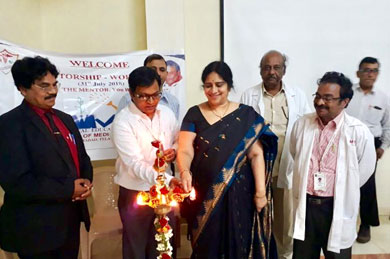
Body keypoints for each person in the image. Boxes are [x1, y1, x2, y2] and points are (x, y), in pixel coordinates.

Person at [177, 61, 278, 258]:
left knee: (239, 240)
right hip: (205, 192)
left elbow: (256, 155)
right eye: (208, 85)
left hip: (240, 192)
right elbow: (185, 149)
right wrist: (184, 171)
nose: (213, 90)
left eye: (219, 85)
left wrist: (260, 193)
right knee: (208, 245)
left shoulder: (245, 114)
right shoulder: (194, 114)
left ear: (229, 86)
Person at [0, 56, 93, 259]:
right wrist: (69, 189)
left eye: (54, 84)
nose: (52, 91)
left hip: (69, 220)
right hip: (36, 229)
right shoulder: (9, 125)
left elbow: (82, 158)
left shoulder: (65, 119)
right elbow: (17, 182)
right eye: (44, 86)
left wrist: (86, 181)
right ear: (23, 89)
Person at [290, 72, 376, 258]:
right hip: (307, 206)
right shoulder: (302, 124)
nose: (320, 102)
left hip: (336, 206)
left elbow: (365, 169)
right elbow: (295, 153)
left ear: (344, 102)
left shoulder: (358, 131)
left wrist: (345, 186)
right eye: (318, 96)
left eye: (328, 98)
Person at [241, 50, 311, 259]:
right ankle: (256, 252)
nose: (271, 72)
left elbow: (306, 127)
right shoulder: (248, 95)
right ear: (261, 70)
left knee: (284, 217)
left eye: (276, 67)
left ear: (284, 70)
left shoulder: (297, 95)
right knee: (255, 212)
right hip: (257, 164)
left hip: (285, 164)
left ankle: (283, 254)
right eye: (267, 67)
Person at [112, 66, 180, 259]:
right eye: (143, 96)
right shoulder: (123, 122)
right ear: (131, 94)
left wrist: (173, 151)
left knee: (165, 243)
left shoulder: (166, 113)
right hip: (136, 193)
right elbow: (135, 164)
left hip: (165, 194)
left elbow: (177, 138)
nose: (151, 101)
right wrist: (166, 180)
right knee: (137, 247)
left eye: (156, 95)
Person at [345, 57, 390, 243]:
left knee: (367, 186)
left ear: (378, 74)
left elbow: (387, 125)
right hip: (346, 141)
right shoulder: (348, 93)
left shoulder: (383, 98)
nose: (370, 74)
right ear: (358, 73)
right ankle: (340, 223)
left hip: (371, 144)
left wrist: (382, 147)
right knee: (342, 181)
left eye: (374, 70)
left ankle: (366, 225)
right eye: (366, 70)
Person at [117, 54, 180, 119]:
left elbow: (174, 128)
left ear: (166, 74)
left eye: (162, 70)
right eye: (153, 69)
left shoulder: (173, 101)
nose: (158, 73)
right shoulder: (127, 99)